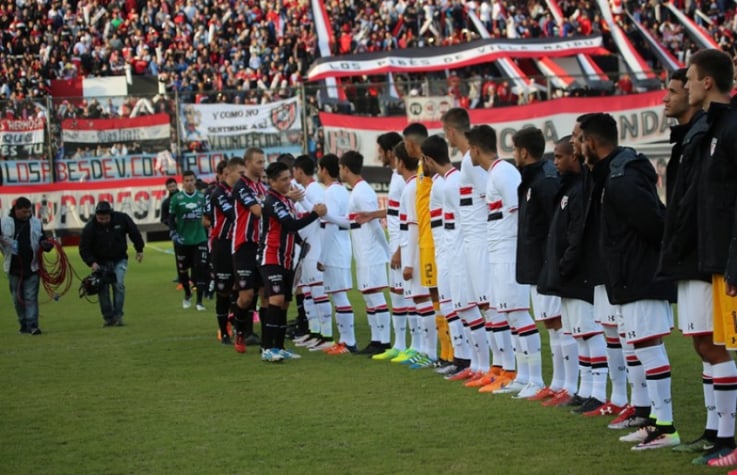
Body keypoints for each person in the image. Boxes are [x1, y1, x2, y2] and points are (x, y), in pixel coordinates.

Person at [580, 113, 678, 450]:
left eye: (580, 141)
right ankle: (652, 419)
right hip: (627, 275)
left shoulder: (622, 179)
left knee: (649, 347)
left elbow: (654, 224)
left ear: (591, 143)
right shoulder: (610, 177)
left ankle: (665, 426)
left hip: (640, 275)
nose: (579, 147)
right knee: (641, 347)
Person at [660, 66, 735, 464]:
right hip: (694, 253)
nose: (672, 94)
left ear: (705, 82)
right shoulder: (694, 137)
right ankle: (714, 432)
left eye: (681, 84)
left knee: (716, 345)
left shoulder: (716, 131)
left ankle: (727, 437)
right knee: (703, 345)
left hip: (711, 255)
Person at [684, 49, 737, 468]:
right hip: (714, 258)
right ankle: (724, 437)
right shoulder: (712, 129)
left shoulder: (731, 127)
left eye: (689, 78)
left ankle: (730, 438)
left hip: (728, 259)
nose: (684, 86)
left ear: (707, 82)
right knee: (713, 346)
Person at [466, 124, 544, 398]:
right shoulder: (493, 175)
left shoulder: (504, 173)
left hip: (511, 253)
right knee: (510, 315)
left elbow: (520, 214)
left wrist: (521, 252)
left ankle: (535, 378)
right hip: (498, 254)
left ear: (475, 149)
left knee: (519, 314)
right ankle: (522, 375)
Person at [537, 137, 603, 411]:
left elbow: (578, 235)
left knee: (589, 331)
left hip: (578, 273)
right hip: (565, 274)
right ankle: (584, 389)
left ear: (573, 158)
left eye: (559, 157)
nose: (555, 162)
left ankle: (597, 392)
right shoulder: (567, 189)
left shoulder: (580, 191)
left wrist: (566, 264)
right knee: (578, 333)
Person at [511, 127, 573, 402]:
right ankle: (558, 381)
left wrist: (554, 259)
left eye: (514, 150)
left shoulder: (545, 181)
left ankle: (568, 384)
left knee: (559, 322)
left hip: (549, 264)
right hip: (538, 264)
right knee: (550, 322)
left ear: (524, 151)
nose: (514, 155)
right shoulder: (532, 179)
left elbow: (556, 224)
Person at [258, 161, 327, 362]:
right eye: (283, 179)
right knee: (276, 299)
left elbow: (291, 229)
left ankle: (278, 347)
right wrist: (316, 214)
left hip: (287, 258)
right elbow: (289, 224)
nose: (289, 182)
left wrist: (300, 243)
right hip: (270, 256)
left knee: (285, 303)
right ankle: (267, 348)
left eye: (289, 177)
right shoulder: (272, 201)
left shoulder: (285, 200)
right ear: (271, 182)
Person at [420, 135, 474, 376]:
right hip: (445, 254)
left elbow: (463, 224)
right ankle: (460, 359)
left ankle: (470, 361)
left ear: (428, 159)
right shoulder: (442, 182)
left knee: (463, 308)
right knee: (451, 308)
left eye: (423, 160)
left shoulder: (453, 182)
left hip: (455, 255)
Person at [340, 150, 392, 355]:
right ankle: (376, 339)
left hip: (372, 252)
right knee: (369, 296)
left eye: (340, 167)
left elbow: (375, 223)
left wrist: (386, 251)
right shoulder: (357, 191)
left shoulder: (363, 192)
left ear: (345, 168)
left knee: (375, 295)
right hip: (363, 252)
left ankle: (384, 341)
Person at [79, 201, 144, 327]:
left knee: (118, 284)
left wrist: (139, 249)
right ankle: (108, 318)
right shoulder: (90, 227)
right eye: (100, 218)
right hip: (100, 262)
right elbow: (83, 248)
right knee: (102, 289)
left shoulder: (122, 219)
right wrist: (92, 263)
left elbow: (134, 232)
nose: (103, 220)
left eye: (106, 218)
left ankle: (118, 316)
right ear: (96, 216)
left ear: (111, 214)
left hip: (119, 259)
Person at [317, 153, 356, 354]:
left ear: (324, 169)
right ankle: (344, 341)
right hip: (341, 246)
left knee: (339, 296)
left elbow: (330, 223)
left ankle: (348, 342)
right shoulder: (341, 191)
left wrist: (322, 257)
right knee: (338, 295)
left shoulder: (332, 192)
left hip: (334, 249)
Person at [205, 157, 246, 346]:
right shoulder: (218, 193)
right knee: (223, 290)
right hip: (222, 244)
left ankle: (238, 327)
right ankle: (224, 332)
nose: (243, 177)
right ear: (228, 173)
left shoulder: (240, 191)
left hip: (238, 244)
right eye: (240, 173)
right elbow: (234, 215)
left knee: (241, 288)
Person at [231, 147, 268, 353]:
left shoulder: (262, 187)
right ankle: (240, 329)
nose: (262, 166)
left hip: (262, 246)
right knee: (246, 297)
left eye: (264, 162)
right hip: (244, 245)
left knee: (266, 295)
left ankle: (266, 341)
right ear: (247, 163)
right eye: (259, 162)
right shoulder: (241, 186)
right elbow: (257, 211)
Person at [1, 197, 53, 335]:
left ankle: (33, 325)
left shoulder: (36, 222)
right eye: (24, 212)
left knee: (31, 297)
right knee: (17, 299)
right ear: (16, 209)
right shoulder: (4, 222)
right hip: (13, 268)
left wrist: (46, 245)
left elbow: (43, 238)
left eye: (29, 212)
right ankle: (23, 323)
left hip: (32, 266)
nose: (27, 215)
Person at [168, 170, 208, 311]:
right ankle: (187, 293)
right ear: (183, 182)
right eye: (187, 180)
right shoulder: (176, 199)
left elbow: (208, 216)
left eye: (192, 180)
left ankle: (199, 301)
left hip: (200, 238)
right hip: (183, 240)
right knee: (183, 271)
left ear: (194, 181)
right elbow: (171, 218)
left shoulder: (202, 197)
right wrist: (173, 232)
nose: (190, 183)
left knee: (200, 268)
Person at [160, 177, 179, 284]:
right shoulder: (166, 203)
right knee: (178, 254)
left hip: (189, 229)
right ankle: (181, 275)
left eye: (173, 186)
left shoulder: (184, 197)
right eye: (170, 186)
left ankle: (195, 276)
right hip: (176, 231)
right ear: (167, 188)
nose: (172, 188)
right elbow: (163, 218)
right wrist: (172, 223)